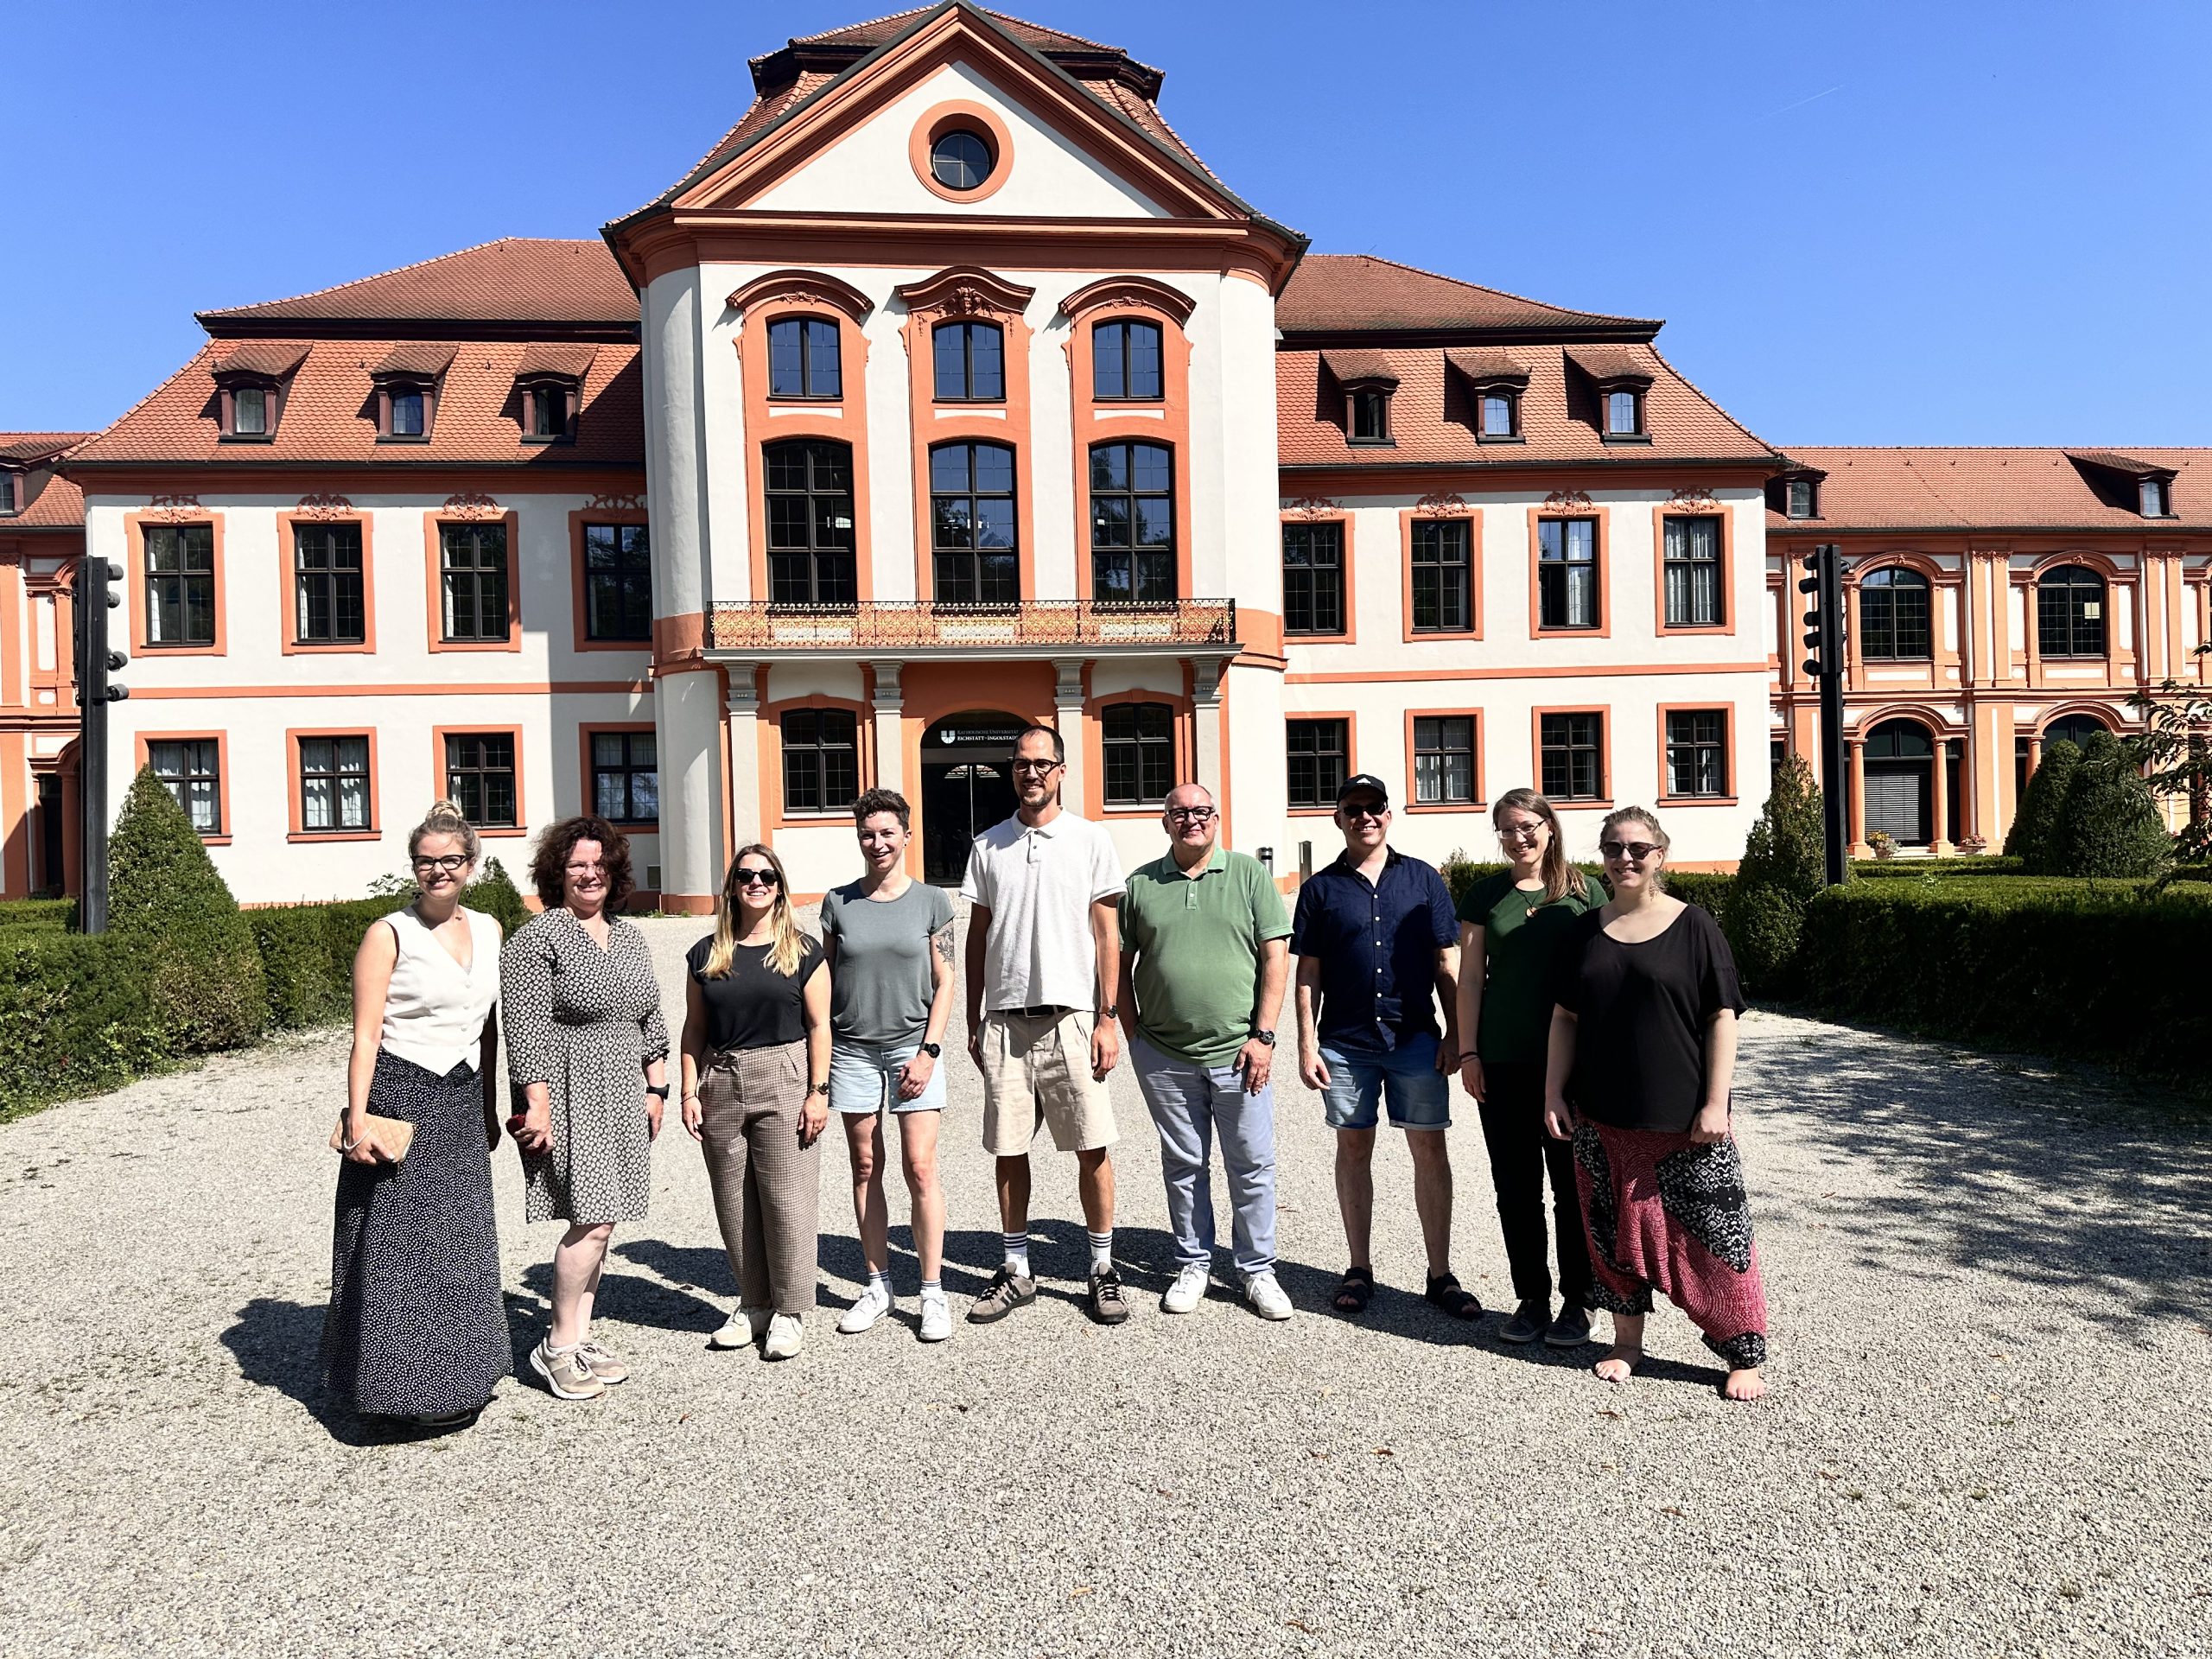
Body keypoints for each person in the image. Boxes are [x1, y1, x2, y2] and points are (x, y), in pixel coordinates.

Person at [1544, 806, 1770, 1402]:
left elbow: (1722, 1017)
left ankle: (1742, 1352)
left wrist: (1715, 1103)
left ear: (1660, 856)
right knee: (1611, 1237)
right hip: (1601, 1116)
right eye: (1614, 847)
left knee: (1717, 1241)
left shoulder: (1695, 926)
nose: (1625, 858)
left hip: (1684, 1120)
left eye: (1638, 848)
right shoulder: (1584, 932)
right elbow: (1564, 1018)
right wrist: (1552, 1092)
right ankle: (1626, 1343)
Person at [323, 801, 509, 1427]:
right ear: (414, 867)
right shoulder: (388, 933)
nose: (438, 872)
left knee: (460, 1243)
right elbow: (366, 1036)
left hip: (461, 1095)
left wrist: (488, 1108)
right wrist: (356, 1118)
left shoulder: (488, 928)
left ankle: (461, 1377)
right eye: (426, 862)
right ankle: (396, 1392)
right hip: (403, 1092)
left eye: (450, 860)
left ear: (471, 864)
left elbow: (488, 1029)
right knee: (399, 1246)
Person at [960, 722, 1128, 1326]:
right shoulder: (988, 846)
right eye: (1021, 763)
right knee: (1008, 1149)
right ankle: (1016, 1269)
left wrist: (1108, 1018)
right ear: (1013, 772)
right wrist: (976, 1015)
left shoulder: (1089, 840)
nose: (1030, 772)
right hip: (1006, 1020)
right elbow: (977, 937)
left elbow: (1108, 933)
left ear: (1061, 771)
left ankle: (1103, 1268)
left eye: (1041, 763)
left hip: (1073, 1017)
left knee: (1092, 1144)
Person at [1291, 772, 1474, 1322]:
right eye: (1354, 808)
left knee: (1430, 1150)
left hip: (1415, 1038)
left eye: (1374, 807)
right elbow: (1309, 973)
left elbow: (1448, 963)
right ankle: (1359, 1267)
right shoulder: (1320, 889)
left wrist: (1457, 1034)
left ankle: (1440, 1274)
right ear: (1339, 818)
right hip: (1346, 1045)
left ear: (1389, 814)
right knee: (1353, 1149)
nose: (1365, 816)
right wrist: (1305, 1041)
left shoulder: (1422, 880)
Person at [503, 815, 671, 1402]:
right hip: (571, 1084)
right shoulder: (537, 938)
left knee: (607, 1217)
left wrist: (657, 1088)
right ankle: (554, 1345)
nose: (590, 873)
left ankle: (579, 1335)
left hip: (624, 1086)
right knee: (592, 1217)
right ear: (558, 872)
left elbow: (650, 1016)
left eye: (599, 863)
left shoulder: (628, 936)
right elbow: (523, 1028)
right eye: (577, 864)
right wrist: (536, 1105)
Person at [1119, 782, 1294, 1320]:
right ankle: (1194, 1262)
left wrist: (1263, 1036)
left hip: (1240, 1052)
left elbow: (1275, 956)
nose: (1191, 820)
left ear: (1216, 818)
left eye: (1201, 812)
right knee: (1184, 1162)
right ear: (1165, 822)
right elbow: (1116, 963)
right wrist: (1134, 1037)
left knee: (1251, 1163)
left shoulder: (1247, 874)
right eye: (1180, 813)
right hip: (1166, 1055)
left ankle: (1256, 1269)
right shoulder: (1141, 884)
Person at [1456, 788, 1608, 1348]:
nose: (1518, 837)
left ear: (1549, 827)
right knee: (1514, 1187)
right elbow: (1470, 979)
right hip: (1502, 1059)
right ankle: (1532, 1297)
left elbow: (1601, 975)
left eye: (1527, 826)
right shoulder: (1485, 896)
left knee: (1572, 1187)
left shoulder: (1583, 891)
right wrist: (1469, 1052)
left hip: (1567, 1066)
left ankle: (1578, 1300)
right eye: (1507, 829)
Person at [681, 844, 833, 1361]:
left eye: (766, 875)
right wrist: (687, 1089)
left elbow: (819, 1026)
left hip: (784, 1075)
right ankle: (754, 1303)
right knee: (733, 1197)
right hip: (720, 1078)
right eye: (746, 875)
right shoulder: (706, 953)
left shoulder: (802, 950)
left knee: (785, 1196)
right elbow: (693, 1028)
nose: (756, 883)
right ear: (732, 887)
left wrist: (818, 1092)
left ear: (780, 885)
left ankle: (789, 1311)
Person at [819, 791, 956, 1343]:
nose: (877, 843)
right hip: (852, 1050)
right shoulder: (837, 902)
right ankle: (878, 1284)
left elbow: (946, 982)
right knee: (864, 1165)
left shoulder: (931, 902)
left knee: (920, 1167)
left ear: (906, 836)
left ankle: (931, 1290)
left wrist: (929, 1052)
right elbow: (820, 981)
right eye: (867, 834)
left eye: (886, 833)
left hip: (911, 1049)